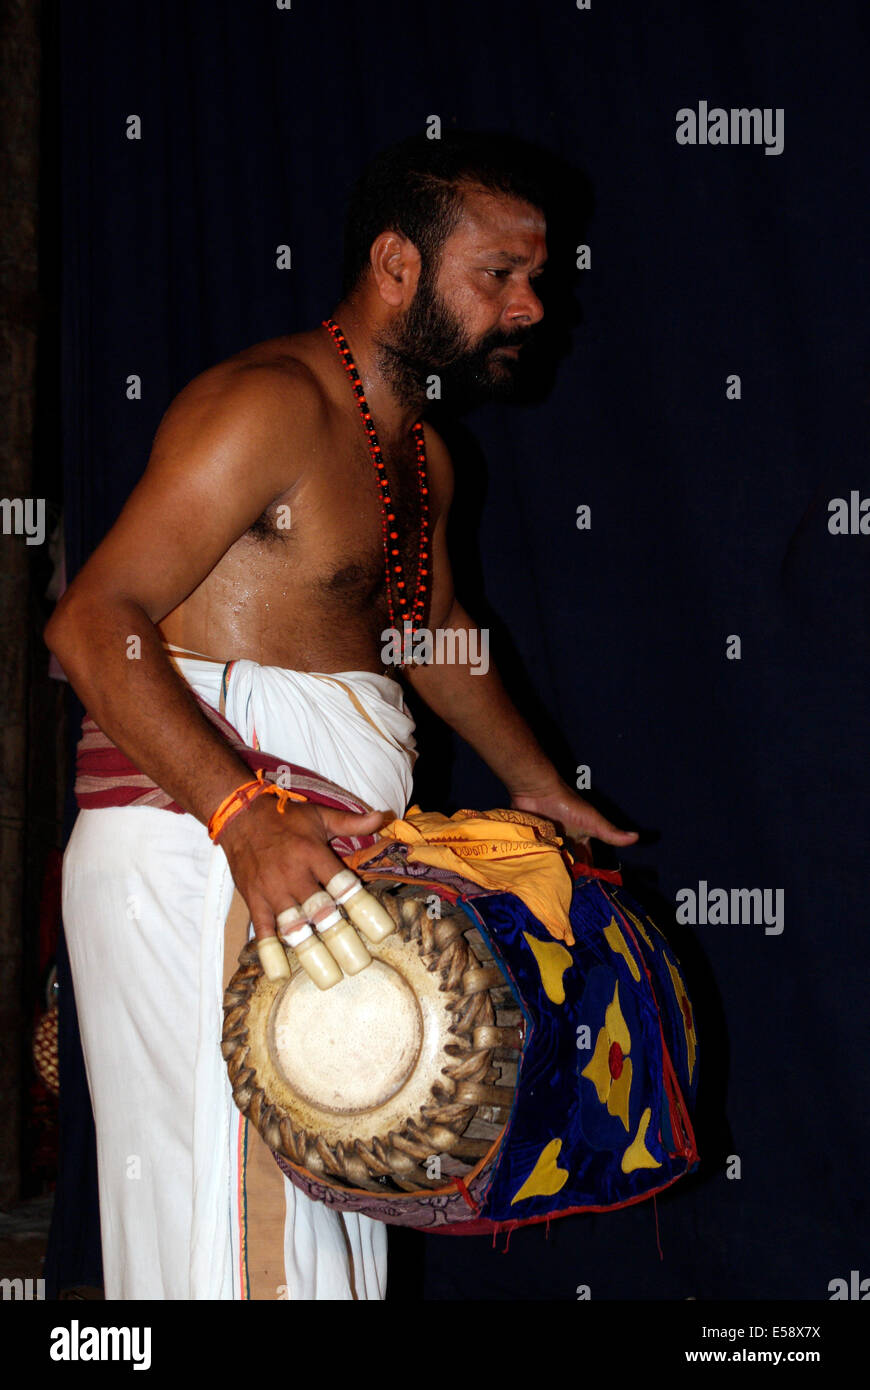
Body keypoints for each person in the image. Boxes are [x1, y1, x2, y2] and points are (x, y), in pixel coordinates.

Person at [44, 129, 638, 1300]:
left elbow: (427, 631)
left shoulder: (426, 453)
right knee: (241, 1230)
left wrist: (536, 786)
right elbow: (92, 622)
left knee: (322, 1218)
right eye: (499, 275)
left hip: (304, 852)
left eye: (536, 276)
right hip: (210, 845)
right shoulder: (265, 404)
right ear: (396, 265)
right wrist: (245, 820)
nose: (529, 305)